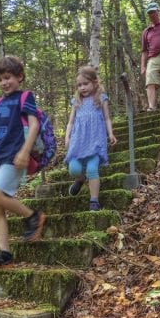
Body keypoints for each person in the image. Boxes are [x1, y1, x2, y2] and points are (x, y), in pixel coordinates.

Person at [0, 55, 46, 269]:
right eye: (0, 80)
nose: (4, 83)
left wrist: (25, 152)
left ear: (19, 77)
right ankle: (4, 252)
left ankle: (33, 216)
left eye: (8, 77)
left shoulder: (25, 96)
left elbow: (34, 124)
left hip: (14, 154)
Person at [64, 66, 117, 211]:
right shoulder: (76, 101)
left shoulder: (101, 98)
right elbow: (71, 121)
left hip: (95, 140)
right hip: (78, 142)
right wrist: (67, 136)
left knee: (92, 169)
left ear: (94, 82)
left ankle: (94, 200)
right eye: (79, 85)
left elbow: (106, 118)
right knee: (74, 169)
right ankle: (80, 179)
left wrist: (110, 134)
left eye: (85, 84)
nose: (82, 87)